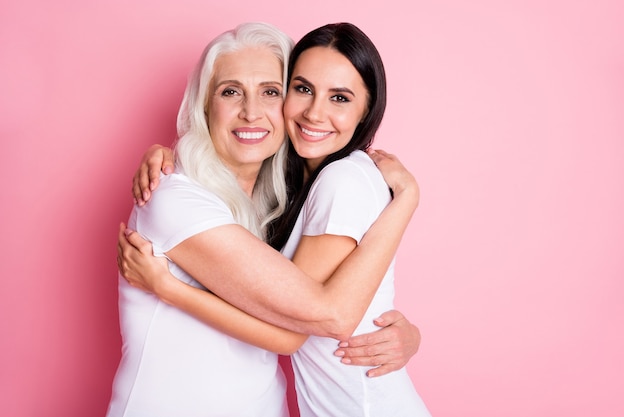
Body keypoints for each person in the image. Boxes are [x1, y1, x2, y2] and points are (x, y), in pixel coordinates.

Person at [109, 22, 422, 417]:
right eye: (230, 92)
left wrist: (409, 334)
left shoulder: (311, 191)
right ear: (204, 106)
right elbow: (321, 316)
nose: (252, 112)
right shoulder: (175, 196)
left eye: (270, 91)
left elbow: (331, 311)